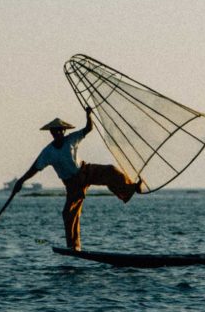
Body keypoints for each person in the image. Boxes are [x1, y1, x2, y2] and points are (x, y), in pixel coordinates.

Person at [12, 106, 141, 250]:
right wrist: (20, 181)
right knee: (69, 213)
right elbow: (34, 168)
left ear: (64, 131)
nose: (59, 133)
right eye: (55, 131)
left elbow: (88, 128)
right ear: (52, 133)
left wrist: (88, 115)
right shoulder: (48, 152)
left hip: (85, 171)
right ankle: (74, 246)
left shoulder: (72, 139)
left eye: (61, 130)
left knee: (111, 171)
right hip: (72, 184)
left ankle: (131, 188)